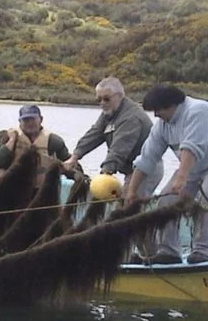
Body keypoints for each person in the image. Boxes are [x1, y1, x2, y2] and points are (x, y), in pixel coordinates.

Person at [127, 84, 208, 265]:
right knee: (166, 200)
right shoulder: (162, 126)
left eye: (158, 110)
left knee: (207, 196)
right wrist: (132, 192)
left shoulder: (199, 111)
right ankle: (169, 251)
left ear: (172, 106)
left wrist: (182, 178)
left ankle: (202, 250)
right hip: (193, 166)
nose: (156, 115)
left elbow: (191, 147)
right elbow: (147, 158)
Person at [62, 77, 164, 259]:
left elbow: (120, 148)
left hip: (147, 169)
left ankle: (153, 256)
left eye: (106, 99)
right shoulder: (110, 113)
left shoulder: (130, 117)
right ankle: (142, 254)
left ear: (120, 96)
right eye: (99, 99)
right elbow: (94, 134)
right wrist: (74, 156)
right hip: (130, 171)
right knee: (126, 211)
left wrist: (106, 171)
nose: (102, 103)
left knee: (131, 210)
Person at [0, 105, 71, 185]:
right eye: (26, 120)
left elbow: (69, 163)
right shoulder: (8, 137)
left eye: (33, 119)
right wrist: (11, 141)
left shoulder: (54, 141)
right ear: (19, 122)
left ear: (41, 119)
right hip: (13, 188)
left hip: (41, 190)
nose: (30, 123)